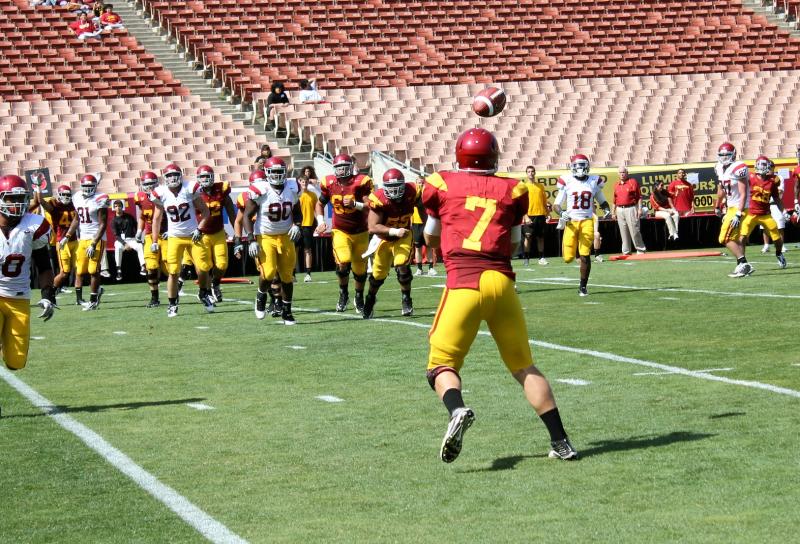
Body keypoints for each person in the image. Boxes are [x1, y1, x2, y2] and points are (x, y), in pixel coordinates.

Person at [421, 128, 577, 463]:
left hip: (464, 281)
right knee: (524, 366)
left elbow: (430, 237)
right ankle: (561, 441)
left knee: (440, 365)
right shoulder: (512, 189)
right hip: (501, 282)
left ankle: (457, 410)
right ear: (495, 156)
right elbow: (515, 244)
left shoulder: (443, 184)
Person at [0, 175, 57, 383]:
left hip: (19, 298)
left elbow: (43, 266)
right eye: (11, 198)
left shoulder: (34, 225)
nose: (17, 203)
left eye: (21, 198)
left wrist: (48, 295)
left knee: (16, 362)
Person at [150, 163, 214, 317]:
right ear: (165, 178)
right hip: (174, 237)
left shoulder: (189, 188)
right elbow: (156, 220)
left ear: (180, 175)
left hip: (193, 235)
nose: (172, 178)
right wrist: (154, 241)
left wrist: (199, 229)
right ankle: (172, 304)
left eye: (175, 174)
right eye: (169, 175)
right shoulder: (161, 193)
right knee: (173, 272)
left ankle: (203, 293)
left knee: (204, 267)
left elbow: (205, 212)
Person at [243, 159, 302, 324]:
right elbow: (247, 216)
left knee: (287, 277)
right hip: (265, 236)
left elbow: (297, 211)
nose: (277, 175)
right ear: (267, 173)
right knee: (268, 273)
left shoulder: (292, 187)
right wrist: (251, 239)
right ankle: (261, 295)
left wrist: (297, 224)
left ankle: (287, 312)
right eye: (273, 172)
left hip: (285, 235)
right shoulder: (261, 190)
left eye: (279, 172)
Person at [314, 153, 373, 313]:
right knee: (343, 263)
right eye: (338, 168)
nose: (341, 171)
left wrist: (356, 204)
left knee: (360, 270)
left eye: (344, 167)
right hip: (340, 230)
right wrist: (320, 222)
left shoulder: (361, 182)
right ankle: (343, 294)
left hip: (361, 231)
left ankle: (359, 296)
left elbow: (372, 206)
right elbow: (319, 204)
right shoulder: (329, 183)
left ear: (350, 167)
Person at [362, 169, 418, 319]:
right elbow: (373, 227)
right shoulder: (379, 199)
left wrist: (428, 221)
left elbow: (424, 203)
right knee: (378, 275)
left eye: (397, 187)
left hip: (404, 235)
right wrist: (394, 231)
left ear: (404, 185)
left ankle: (406, 299)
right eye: (390, 188)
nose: (394, 191)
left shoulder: (412, 191)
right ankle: (370, 299)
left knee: (402, 266)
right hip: (384, 239)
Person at [553, 154, 611, 296]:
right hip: (571, 221)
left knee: (585, 254)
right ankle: (580, 279)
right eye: (577, 165)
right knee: (568, 258)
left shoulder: (593, 181)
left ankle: (583, 286)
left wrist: (606, 208)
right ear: (572, 166)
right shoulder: (566, 181)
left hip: (587, 221)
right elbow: (556, 205)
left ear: (587, 165)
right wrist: (561, 213)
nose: (580, 168)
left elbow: (602, 200)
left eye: (582, 164)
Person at [63, 174, 108, 310]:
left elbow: (103, 224)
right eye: (85, 186)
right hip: (82, 238)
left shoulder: (100, 198)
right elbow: (77, 219)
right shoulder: (76, 197)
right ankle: (86, 296)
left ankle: (93, 301)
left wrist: (94, 243)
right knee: (80, 271)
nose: (88, 189)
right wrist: (67, 236)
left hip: (96, 238)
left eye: (90, 186)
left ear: (95, 186)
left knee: (93, 270)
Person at [739, 156, 788, 269]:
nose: (762, 167)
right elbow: (740, 189)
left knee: (777, 238)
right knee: (742, 237)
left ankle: (779, 253)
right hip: (751, 213)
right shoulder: (750, 177)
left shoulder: (772, 181)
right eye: (760, 164)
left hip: (765, 214)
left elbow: (776, 198)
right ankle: (742, 261)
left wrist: (784, 211)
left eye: (764, 164)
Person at [196, 165, 236, 303]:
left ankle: (216, 283)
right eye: (202, 176)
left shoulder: (221, 190)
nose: (205, 179)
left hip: (218, 232)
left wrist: (237, 232)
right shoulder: (194, 193)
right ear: (198, 179)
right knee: (205, 266)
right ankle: (206, 292)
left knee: (222, 264)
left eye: (208, 176)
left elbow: (231, 212)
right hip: (202, 234)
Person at [713, 142, 753, 278]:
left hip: (739, 207)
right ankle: (741, 265)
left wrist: (738, 213)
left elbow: (743, 193)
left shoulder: (739, 167)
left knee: (724, 238)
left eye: (727, 155)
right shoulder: (719, 167)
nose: (724, 157)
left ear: (733, 154)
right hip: (730, 206)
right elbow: (721, 189)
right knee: (734, 238)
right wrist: (718, 205)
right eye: (721, 155)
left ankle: (743, 263)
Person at [33, 184, 76, 297]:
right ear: (58, 195)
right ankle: (52, 290)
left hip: (74, 240)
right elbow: (41, 201)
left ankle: (79, 297)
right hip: (61, 241)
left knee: (78, 270)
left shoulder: (74, 204)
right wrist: (38, 188)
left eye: (68, 195)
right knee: (64, 271)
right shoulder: (55, 207)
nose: (66, 197)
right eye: (63, 195)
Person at [134, 171, 166, 307]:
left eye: (151, 184)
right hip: (149, 235)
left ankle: (174, 295)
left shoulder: (164, 195)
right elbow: (142, 216)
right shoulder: (140, 197)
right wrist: (139, 230)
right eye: (146, 184)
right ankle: (155, 298)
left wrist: (171, 231)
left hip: (165, 234)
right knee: (151, 267)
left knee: (169, 267)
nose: (149, 187)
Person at [612, 166, 646, 255]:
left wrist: (639, 209)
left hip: (631, 208)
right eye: (620, 172)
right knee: (623, 231)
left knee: (635, 229)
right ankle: (626, 251)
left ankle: (640, 249)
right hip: (619, 209)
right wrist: (613, 212)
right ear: (618, 174)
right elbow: (614, 200)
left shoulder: (633, 182)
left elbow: (639, 197)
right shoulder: (616, 184)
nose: (622, 174)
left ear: (627, 173)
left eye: (623, 172)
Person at [521, 165, 550, 266]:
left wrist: (548, 214)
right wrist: (525, 216)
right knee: (528, 237)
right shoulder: (523, 186)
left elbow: (544, 201)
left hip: (540, 215)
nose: (531, 173)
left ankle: (541, 258)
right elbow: (521, 203)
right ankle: (526, 258)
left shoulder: (540, 186)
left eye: (532, 171)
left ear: (535, 173)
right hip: (529, 215)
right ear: (526, 173)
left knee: (540, 237)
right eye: (529, 171)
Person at [111, 199, 144, 281]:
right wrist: (124, 244)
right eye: (116, 206)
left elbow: (136, 227)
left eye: (119, 206)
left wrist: (138, 237)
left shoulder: (129, 217)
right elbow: (116, 236)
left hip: (132, 239)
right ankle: (118, 270)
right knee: (118, 248)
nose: (118, 208)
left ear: (122, 207)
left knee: (140, 246)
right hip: (121, 241)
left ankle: (143, 267)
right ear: (114, 208)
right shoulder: (113, 221)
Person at [297, 176, 317, 282]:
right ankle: (292, 275)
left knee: (307, 250)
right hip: (296, 226)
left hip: (308, 225)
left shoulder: (313, 195)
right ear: (299, 182)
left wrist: (319, 222)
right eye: (302, 181)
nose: (304, 183)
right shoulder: (295, 195)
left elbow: (317, 209)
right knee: (294, 250)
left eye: (306, 181)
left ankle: (308, 274)